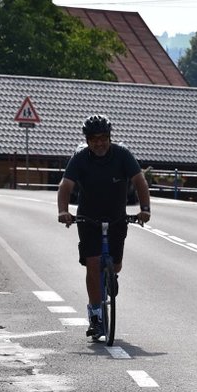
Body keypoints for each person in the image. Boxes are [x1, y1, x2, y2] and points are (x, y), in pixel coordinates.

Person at [57, 115, 151, 337]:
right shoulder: (80, 158)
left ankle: (111, 277)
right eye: (93, 139)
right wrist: (63, 211)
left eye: (103, 138)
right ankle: (96, 315)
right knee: (92, 264)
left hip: (116, 217)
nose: (99, 143)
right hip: (88, 218)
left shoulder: (122, 155)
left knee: (115, 265)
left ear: (110, 137)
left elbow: (139, 181)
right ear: (87, 140)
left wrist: (145, 209)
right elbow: (65, 186)